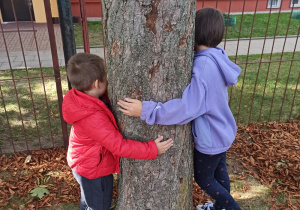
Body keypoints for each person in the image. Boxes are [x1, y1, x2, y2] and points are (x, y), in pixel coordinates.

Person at [118, 7, 242, 210]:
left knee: (205, 179)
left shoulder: (202, 67)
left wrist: (147, 110)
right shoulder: (218, 57)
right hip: (224, 131)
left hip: (211, 138)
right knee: (220, 174)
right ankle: (222, 208)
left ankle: (232, 208)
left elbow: (187, 109)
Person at [62, 53, 173, 210]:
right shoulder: (92, 117)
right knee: (98, 205)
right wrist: (152, 149)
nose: (107, 80)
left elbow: (100, 99)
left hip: (84, 163)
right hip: (94, 171)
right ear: (95, 83)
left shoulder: (80, 97)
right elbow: (118, 146)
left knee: (89, 201)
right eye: (105, 77)